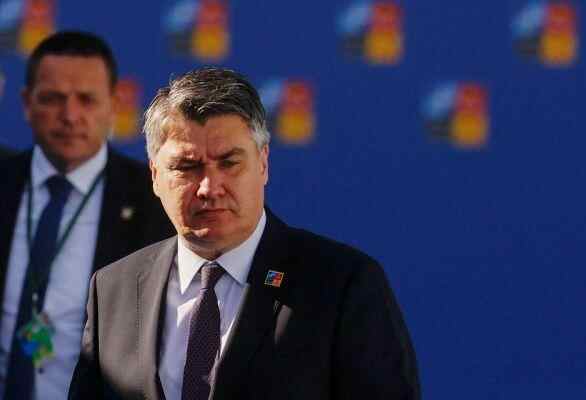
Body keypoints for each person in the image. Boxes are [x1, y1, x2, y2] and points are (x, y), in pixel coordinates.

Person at [69, 68, 420, 400]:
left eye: (229, 163)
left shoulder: (342, 285)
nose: (209, 187)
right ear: (155, 175)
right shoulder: (112, 288)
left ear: (263, 164)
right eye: (187, 167)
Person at [0, 31, 173, 400]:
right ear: (27, 103)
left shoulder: (157, 202)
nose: (70, 116)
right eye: (52, 99)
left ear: (114, 105)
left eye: (87, 100)